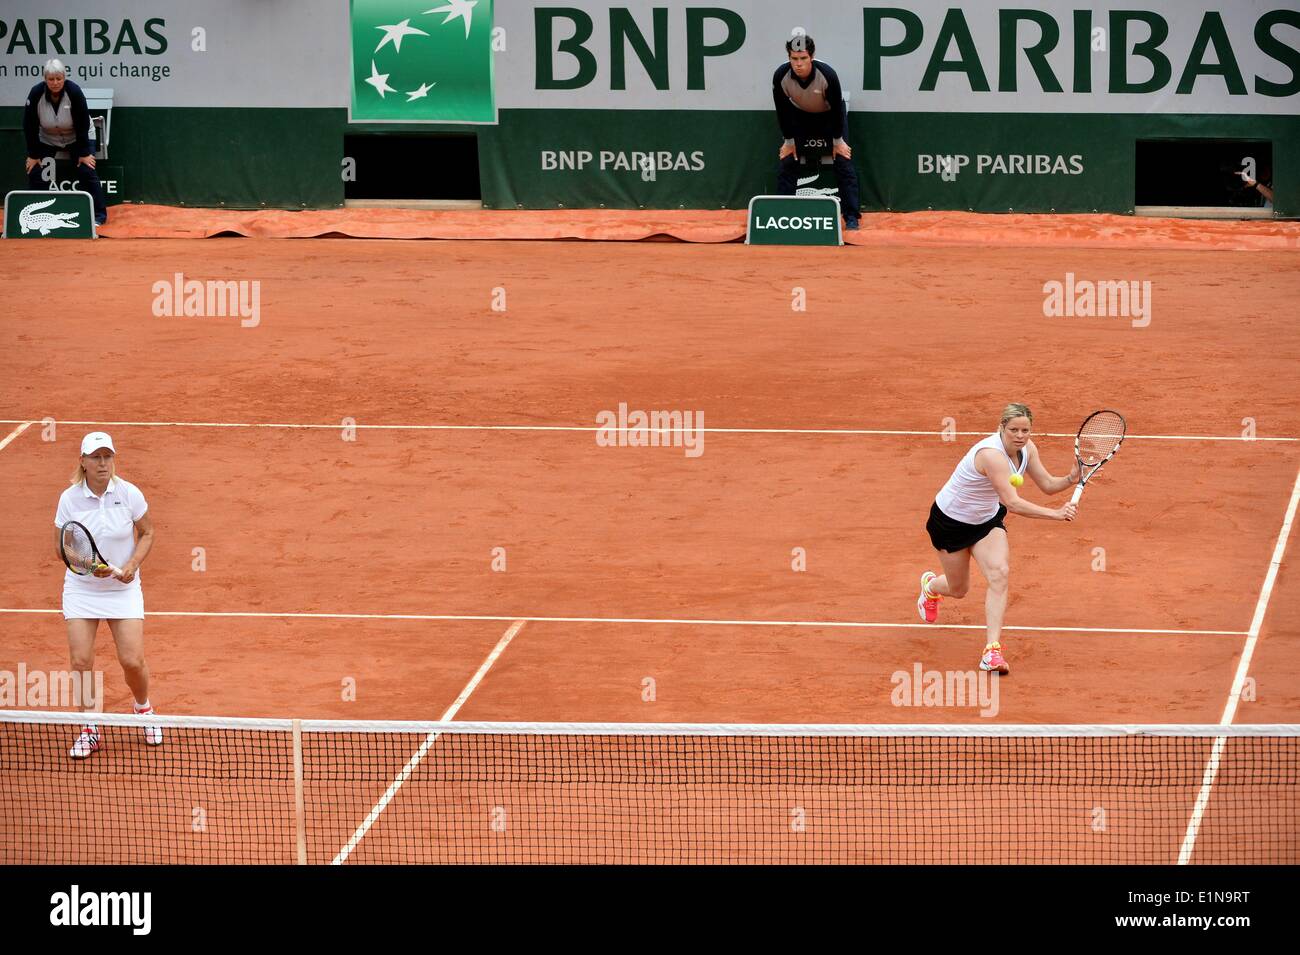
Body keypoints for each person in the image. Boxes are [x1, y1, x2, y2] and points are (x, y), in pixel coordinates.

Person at [916, 404, 1078, 674]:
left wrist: (1072, 478)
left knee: (1000, 573)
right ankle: (931, 587)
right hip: (950, 523)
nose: (1020, 435)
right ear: (1001, 427)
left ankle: (991, 651)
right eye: (1014, 429)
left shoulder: (1028, 449)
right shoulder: (991, 455)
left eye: (1025, 430)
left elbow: (1048, 485)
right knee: (959, 589)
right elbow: (1013, 503)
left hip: (986, 521)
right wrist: (1057, 515)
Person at [54, 432, 159, 758]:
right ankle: (90, 727)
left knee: (132, 660)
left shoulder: (129, 494)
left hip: (123, 589)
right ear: (83, 462)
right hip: (82, 588)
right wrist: (87, 566)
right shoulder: (69, 499)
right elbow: (61, 548)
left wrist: (131, 564)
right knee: (81, 660)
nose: (103, 463)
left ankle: (143, 709)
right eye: (96, 457)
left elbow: (148, 532)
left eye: (107, 456)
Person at [772, 34, 861, 230]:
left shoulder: (827, 75)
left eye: (803, 58)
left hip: (830, 116)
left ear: (811, 57)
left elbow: (837, 109)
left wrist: (838, 140)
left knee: (843, 161)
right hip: (800, 117)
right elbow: (782, 109)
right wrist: (789, 141)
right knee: (788, 160)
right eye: (794, 59)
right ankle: (781, 216)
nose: (798, 64)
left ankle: (851, 217)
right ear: (789, 58)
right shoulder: (781, 76)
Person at [23, 59, 108, 227]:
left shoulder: (74, 92)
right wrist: (33, 155)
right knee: (37, 171)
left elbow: (83, 123)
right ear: (45, 79)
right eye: (51, 79)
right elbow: (29, 125)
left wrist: (84, 153)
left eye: (58, 78)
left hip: (78, 137)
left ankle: (98, 215)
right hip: (48, 139)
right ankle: (37, 215)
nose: (55, 83)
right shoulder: (35, 94)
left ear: (64, 78)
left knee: (86, 170)